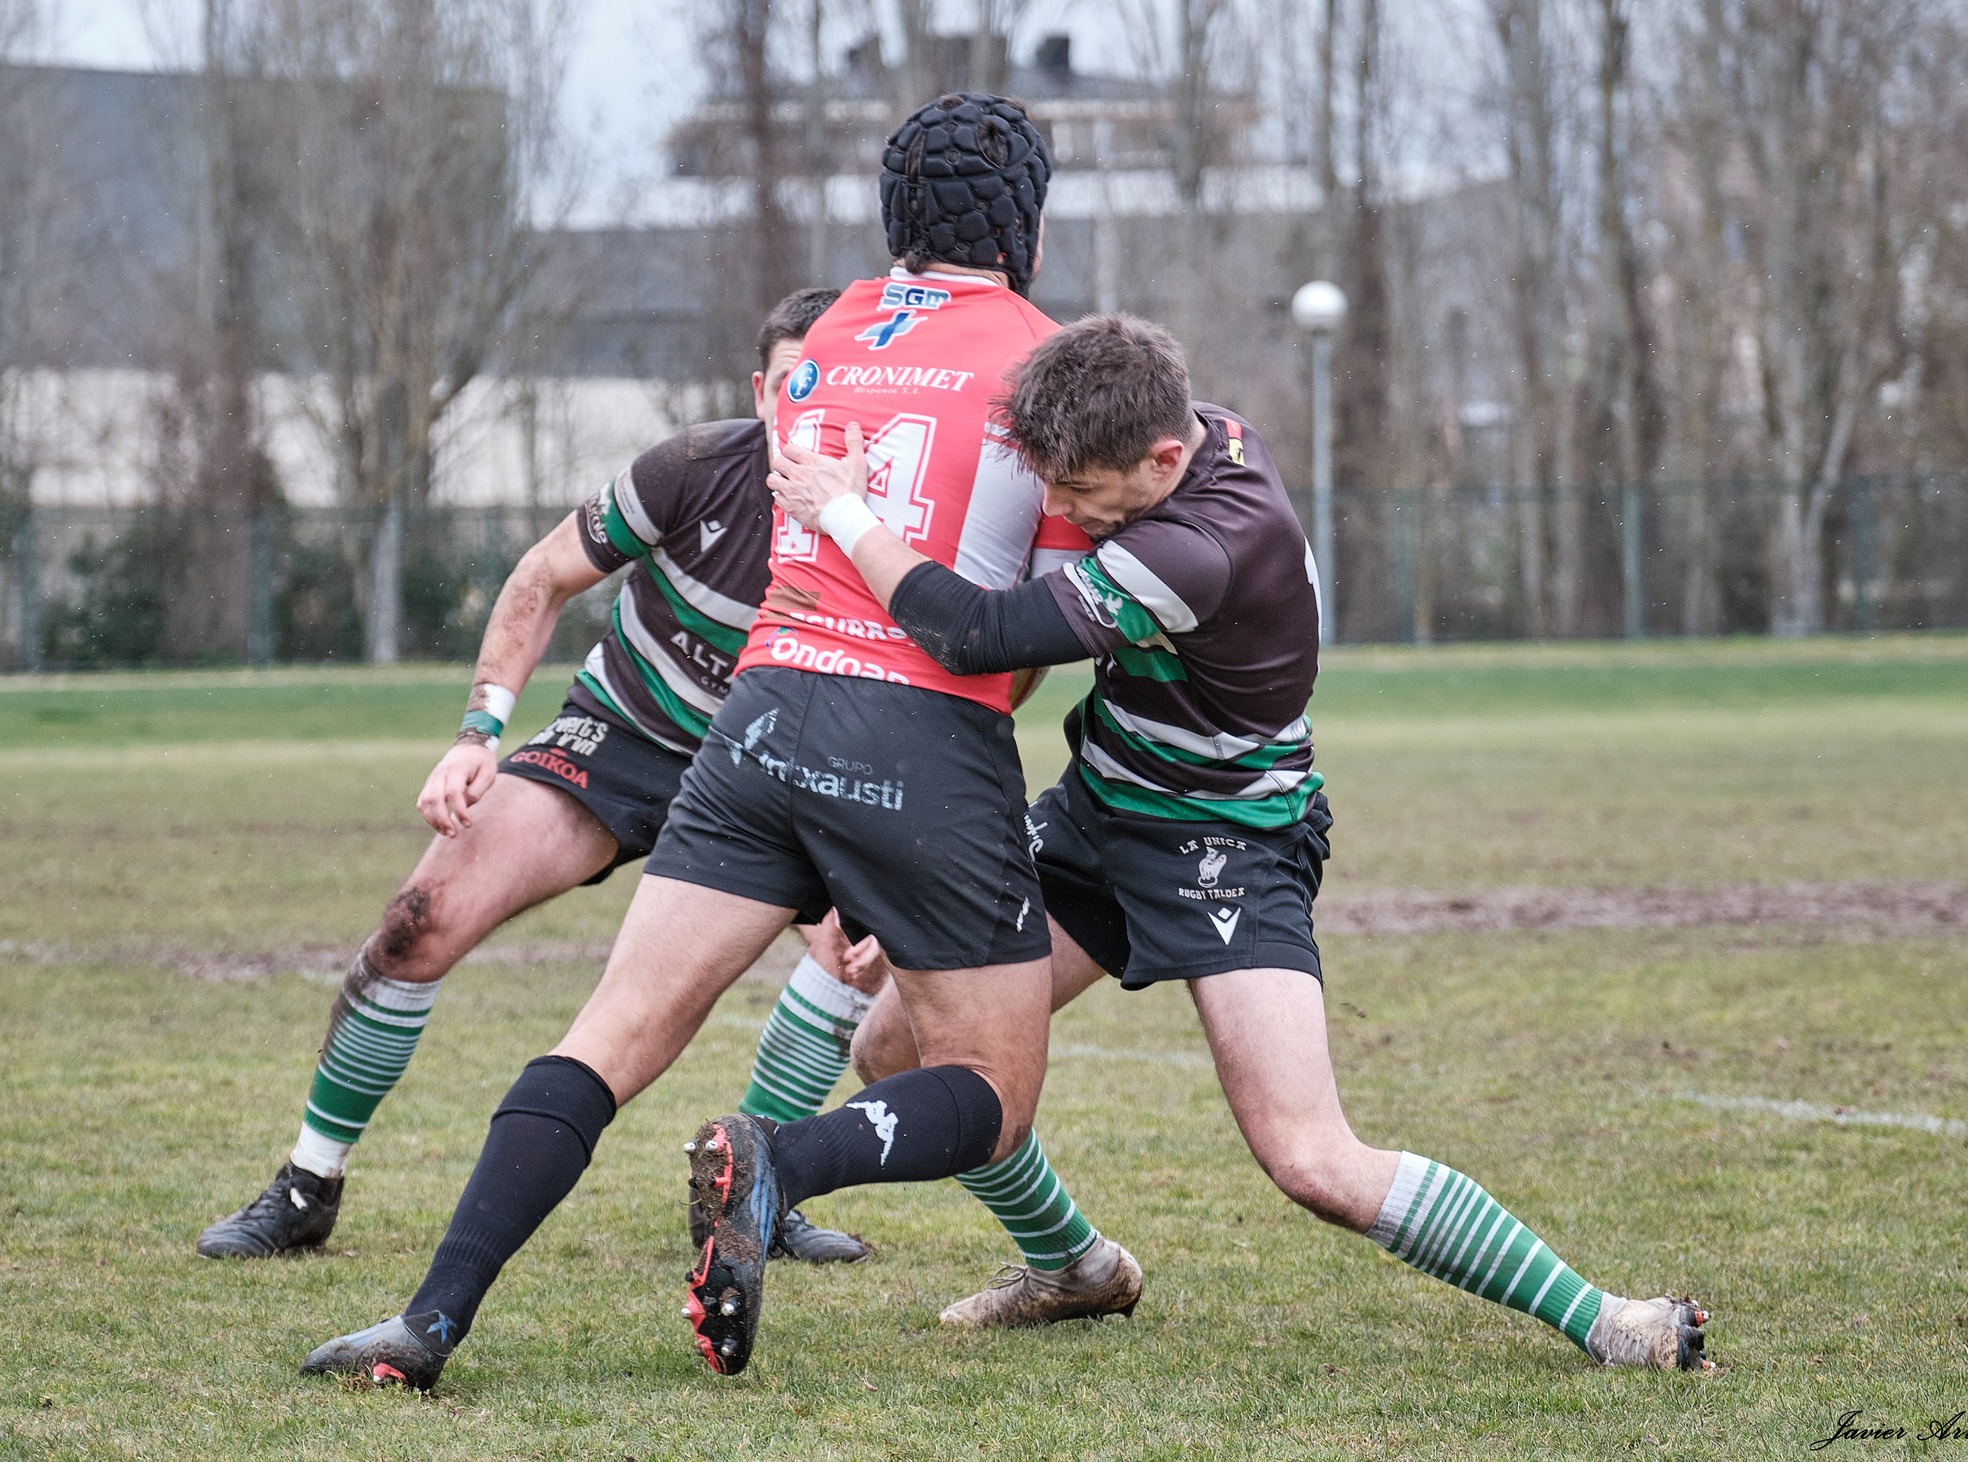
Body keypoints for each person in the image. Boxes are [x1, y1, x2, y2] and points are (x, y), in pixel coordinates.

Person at [300, 91, 1135, 1390]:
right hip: (925, 732)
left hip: (755, 722)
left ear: (890, 215)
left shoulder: (828, 339)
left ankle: (427, 1319)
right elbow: (1028, 623)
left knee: (611, 1034)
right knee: (990, 1091)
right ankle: (776, 1156)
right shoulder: (1051, 361)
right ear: (1026, 220)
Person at [768, 312, 1713, 1370]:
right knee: (897, 1049)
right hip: (1098, 814)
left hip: (1225, 841)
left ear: (1163, 460)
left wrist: (843, 513)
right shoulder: (1178, 434)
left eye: (1074, 489)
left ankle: (1607, 1319)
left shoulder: (1197, 547)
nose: (1056, 510)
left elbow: (978, 634)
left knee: (1310, 1160)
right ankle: (1074, 1268)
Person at [197, 288, 876, 1267]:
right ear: (760, 390)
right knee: (418, 916)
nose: (805, 409)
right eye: (789, 385)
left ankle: (752, 1197)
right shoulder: (686, 470)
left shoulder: (893, 522)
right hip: (626, 734)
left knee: (854, 947)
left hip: (775, 774)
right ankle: (307, 1183)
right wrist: (477, 732)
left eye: (830, 388)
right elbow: (541, 575)